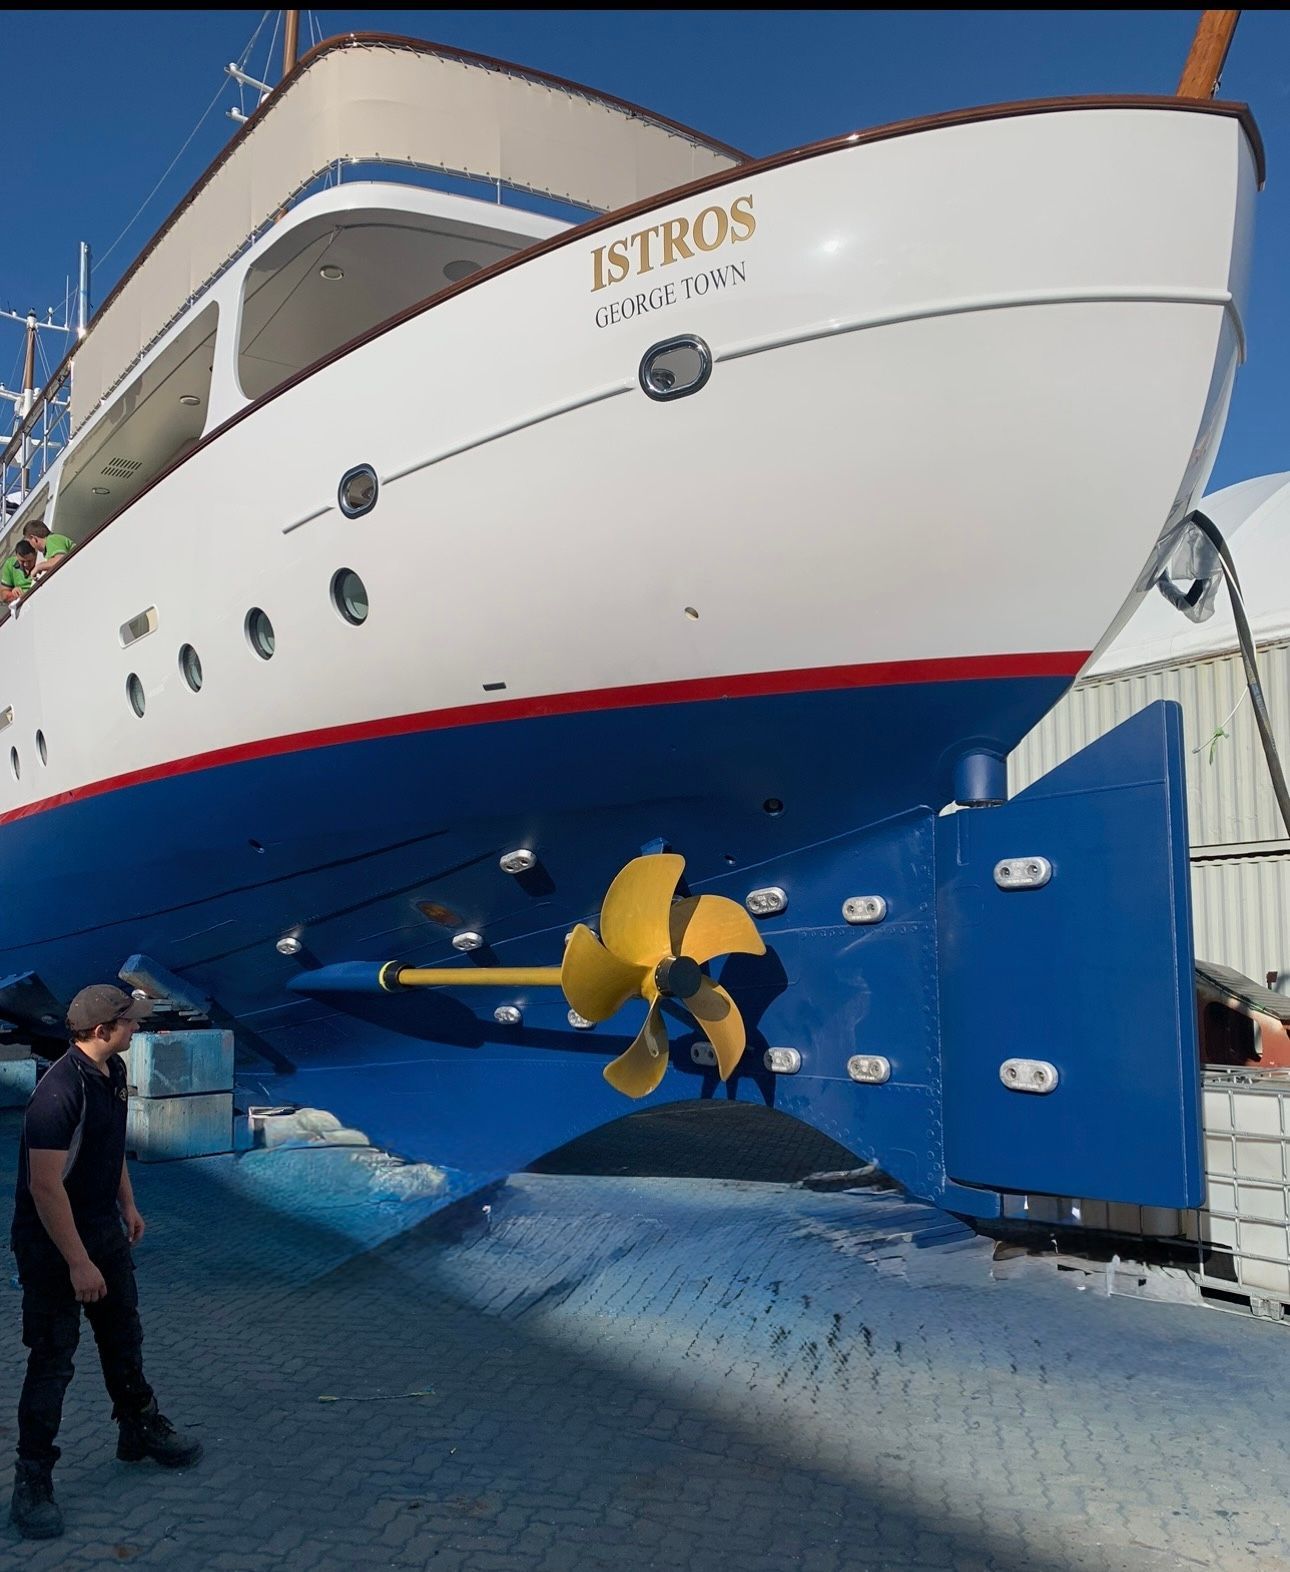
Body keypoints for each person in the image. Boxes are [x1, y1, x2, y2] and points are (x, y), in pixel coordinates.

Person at [9, 985, 202, 1540]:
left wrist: (127, 1203)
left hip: (99, 1227)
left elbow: (108, 1146)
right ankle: (32, 1479)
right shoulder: (56, 1093)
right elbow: (44, 1188)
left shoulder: (111, 1073)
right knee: (53, 1361)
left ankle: (138, 1428)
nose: (135, 1029)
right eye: (128, 1023)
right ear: (101, 1032)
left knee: (123, 1336)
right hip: (52, 1245)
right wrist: (77, 1262)